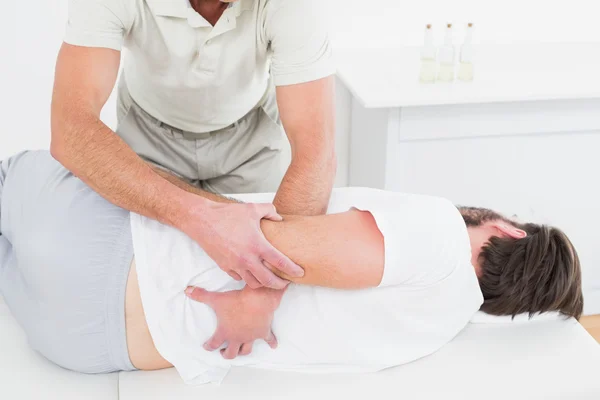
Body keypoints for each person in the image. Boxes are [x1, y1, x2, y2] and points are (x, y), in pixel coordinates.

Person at [0, 151, 583, 383]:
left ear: (507, 229)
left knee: (17, 169)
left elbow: (286, 246)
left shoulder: (439, 235)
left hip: (103, 254)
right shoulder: (433, 329)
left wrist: (259, 297)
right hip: (91, 348)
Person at [51, 0, 337, 290]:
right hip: (149, 133)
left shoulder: (296, 7)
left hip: (251, 138)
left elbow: (316, 154)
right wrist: (199, 216)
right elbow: (69, 131)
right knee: (146, 272)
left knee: (264, 243)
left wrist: (262, 296)